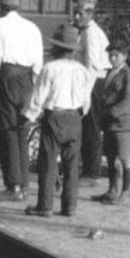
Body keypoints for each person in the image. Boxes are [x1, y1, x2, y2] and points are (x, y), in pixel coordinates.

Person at [22, 24, 93, 217]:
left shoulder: (50, 69)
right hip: (75, 118)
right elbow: (87, 100)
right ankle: (69, 207)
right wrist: (78, 114)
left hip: (55, 118)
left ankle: (45, 207)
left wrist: (28, 117)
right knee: (72, 165)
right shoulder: (83, 70)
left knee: (48, 163)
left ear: (57, 49)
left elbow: (38, 97)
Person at [0, 0, 44, 201]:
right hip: (26, 80)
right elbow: (38, 61)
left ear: (1, 7)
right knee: (21, 132)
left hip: (6, 78)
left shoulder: (0, 25)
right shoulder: (33, 28)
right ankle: (24, 184)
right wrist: (34, 86)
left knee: (6, 132)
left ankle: (13, 186)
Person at [91, 43, 130, 205]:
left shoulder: (129, 75)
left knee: (124, 158)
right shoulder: (110, 73)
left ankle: (126, 192)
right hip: (109, 124)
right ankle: (112, 190)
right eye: (110, 55)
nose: (112, 58)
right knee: (111, 158)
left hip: (123, 125)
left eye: (116, 55)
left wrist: (113, 111)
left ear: (124, 57)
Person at [71, 0, 111, 185]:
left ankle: (92, 173)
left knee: (92, 128)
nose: (77, 16)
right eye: (76, 13)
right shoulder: (84, 31)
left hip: (93, 83)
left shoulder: (91, 34)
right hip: (88, 82)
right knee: (86, 127)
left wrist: (85, 95)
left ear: (90, 14)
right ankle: (87, 168)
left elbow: (92, 67)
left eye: (81, 13)